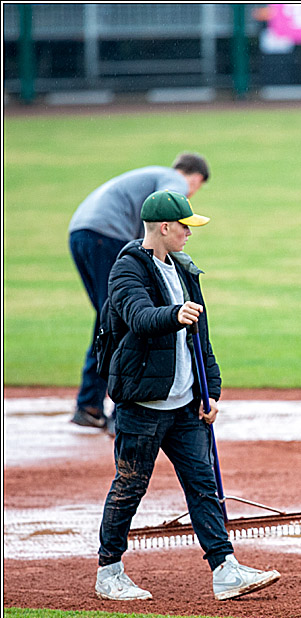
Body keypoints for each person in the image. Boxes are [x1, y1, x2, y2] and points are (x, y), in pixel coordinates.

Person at [95, 190, 281, 602]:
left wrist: (209, 392)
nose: (188, 235)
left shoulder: (183, 270)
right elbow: (140, 318)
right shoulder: (127, 270)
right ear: (164, 227)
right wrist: (174, 314)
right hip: (141, 405)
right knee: (130, 486)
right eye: (184, 227)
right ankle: (109, 571)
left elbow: (203, 339)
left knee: (204, 484)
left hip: (184, 406)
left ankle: (224, 568)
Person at [68, 153, 210, 432]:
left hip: (81, 233)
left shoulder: (151, 173)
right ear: (194, 177)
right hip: (106, 235)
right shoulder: (174, 181)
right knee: (119, 321)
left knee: (108, 316)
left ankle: (90, 404)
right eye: (197, 187)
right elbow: (162, 218)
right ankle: (120, 409)